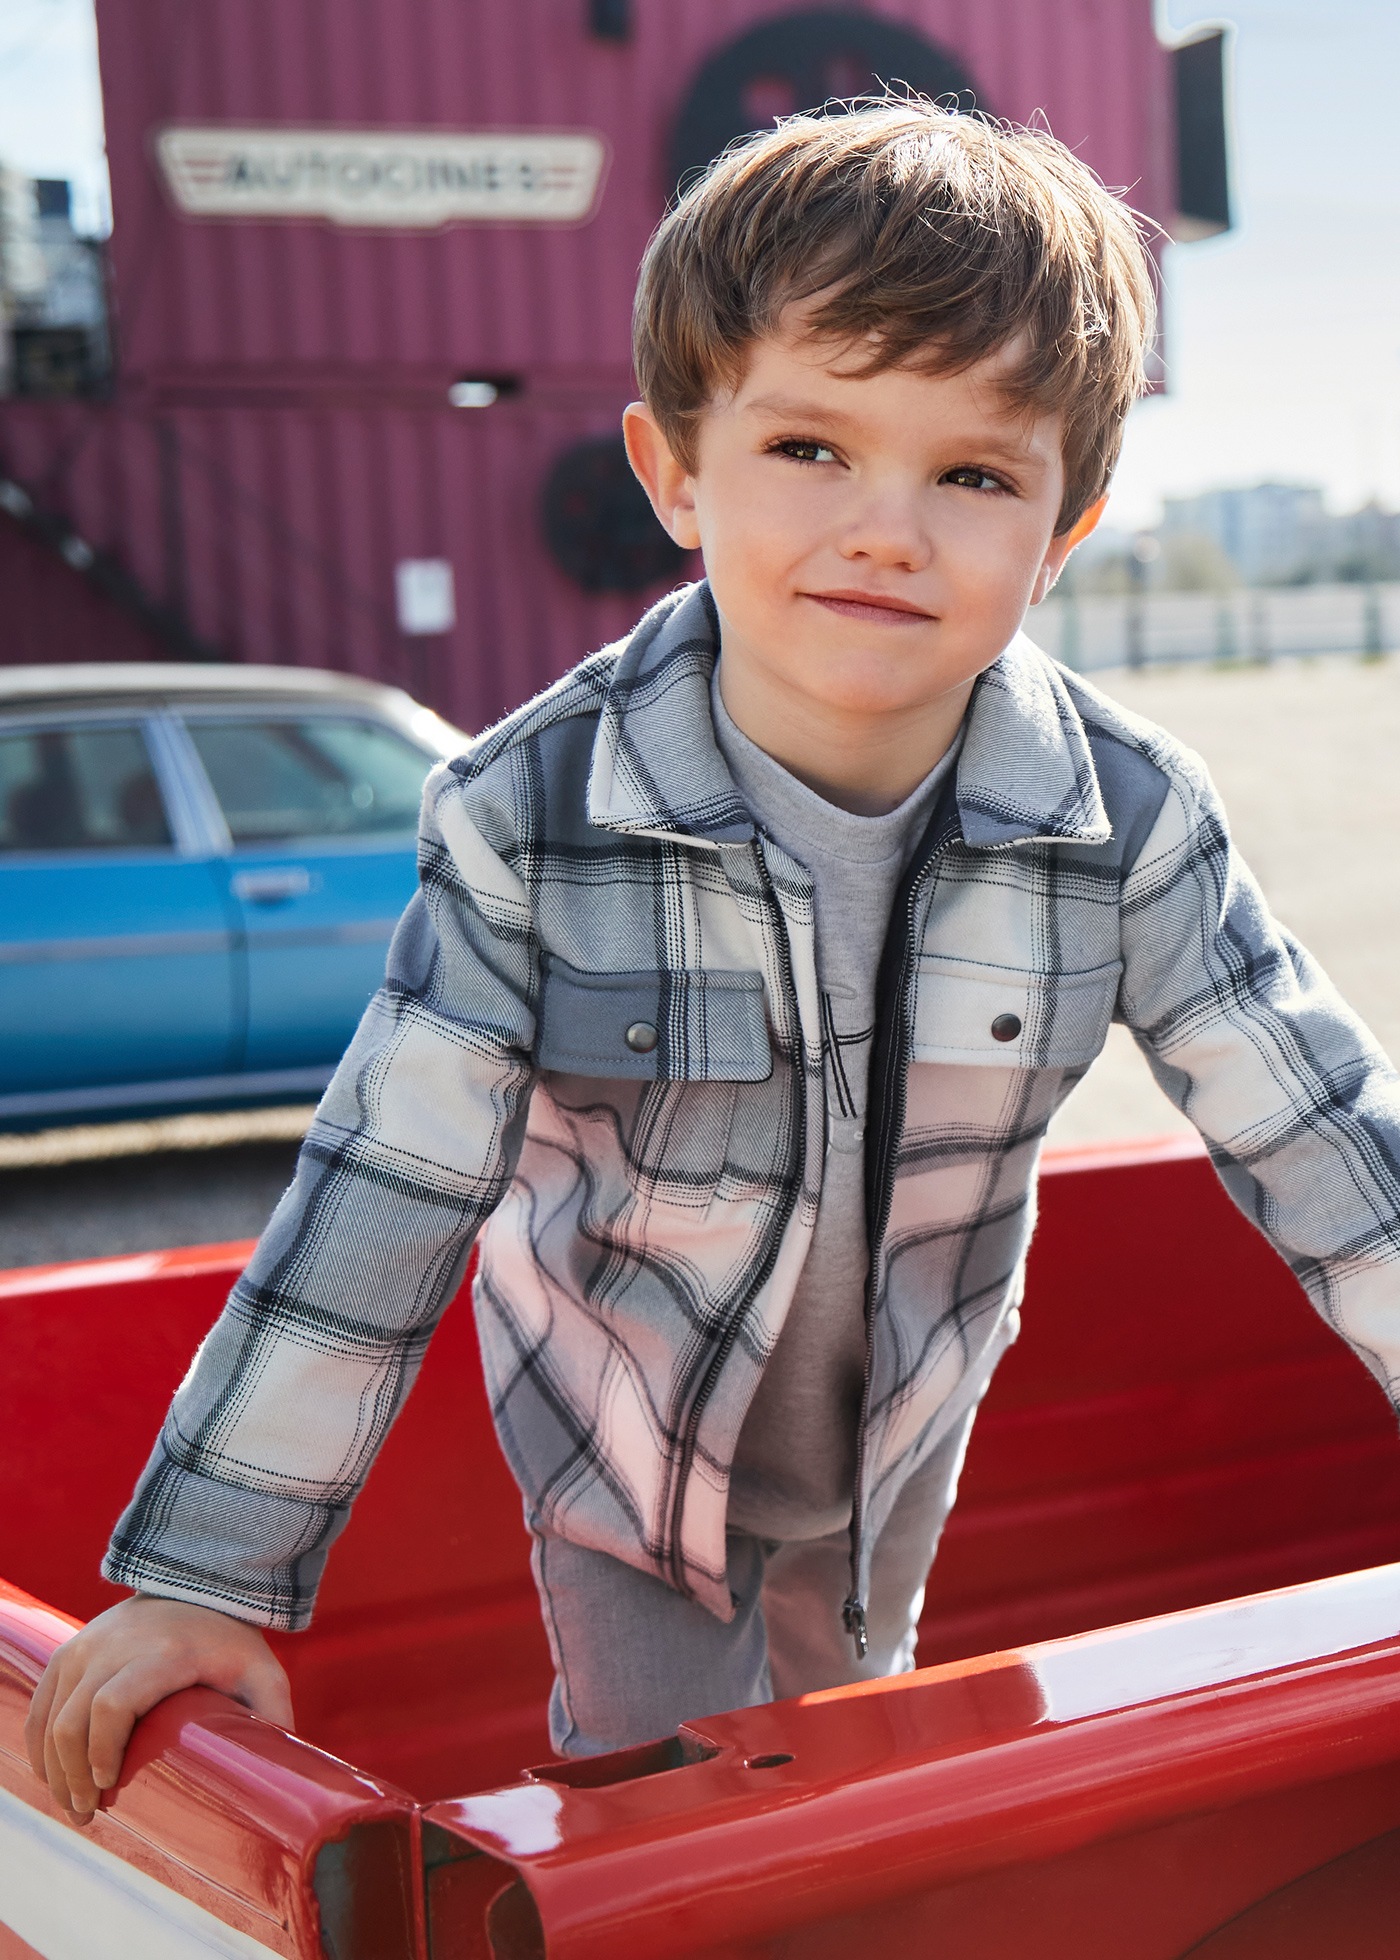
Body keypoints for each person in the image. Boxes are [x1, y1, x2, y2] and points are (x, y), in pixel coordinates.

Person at [29, 100, 1400, 1820]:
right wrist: (210, 1575)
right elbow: (384, 1188)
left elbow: (1323, 1134)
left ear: (1064, 527)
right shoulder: (533, 812)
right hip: (624, 1430)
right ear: (676, 470)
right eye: (811, 449)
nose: (887, 528)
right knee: (668, 1811)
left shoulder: (1122, 819)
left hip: (902, 1415)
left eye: (974, 473)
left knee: (856, 1768)